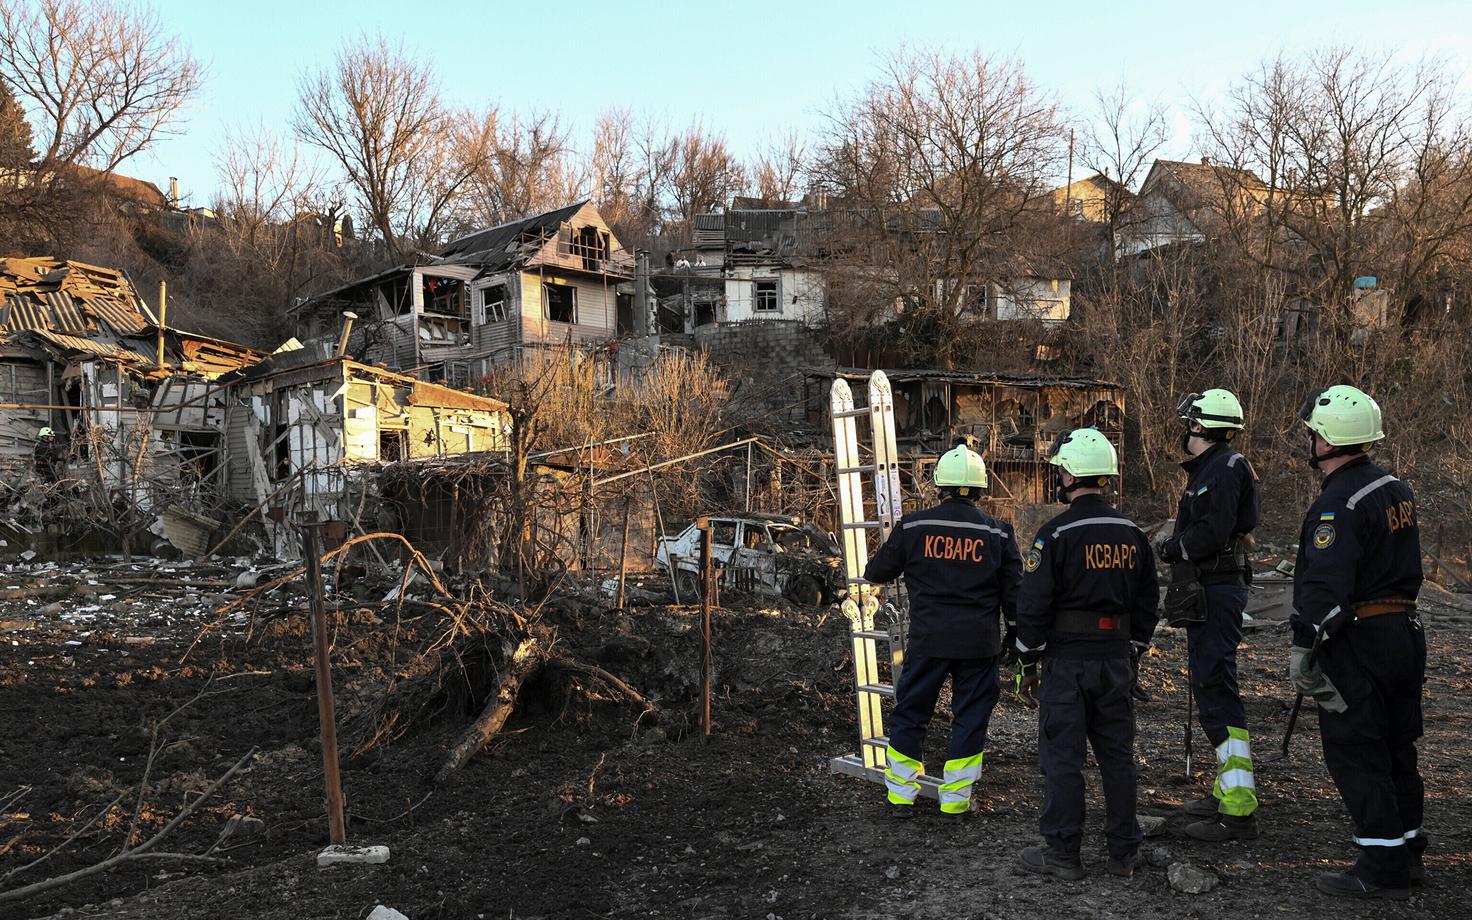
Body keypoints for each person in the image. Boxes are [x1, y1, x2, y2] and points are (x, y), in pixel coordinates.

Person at [1291, 385, 1424, 900]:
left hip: (1361, 642)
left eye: (1312, 433)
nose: (1308, 439)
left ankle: (1380, 867)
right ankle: (1407, 853)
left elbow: (1326, 585)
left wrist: (1304, 643)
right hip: (1404, 634)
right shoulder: (1396, 489)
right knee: (1397, 747)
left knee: (1356, 750)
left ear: (1328, 440)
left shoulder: (1339, 502)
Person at [1014, 429, 1159, 880]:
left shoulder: (1055, 533)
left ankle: (1062, 854)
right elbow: (1148, 601)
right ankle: (1124, 853)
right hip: (1116, 658)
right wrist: (1133, 650)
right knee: (1117, 757)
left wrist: (1026, 660)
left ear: (1071, 473)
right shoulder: (1134, 534)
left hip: (1067, 661)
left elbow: (1034, 603)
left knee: (1062, 758)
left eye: (1060, 469)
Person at [863, 444, 1022, 817]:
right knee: (970, 716)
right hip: (978, 644)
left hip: (928, 640)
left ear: (939, 486)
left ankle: (901, 795)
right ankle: (955, 802)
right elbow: (1015, 596)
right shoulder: (999, 533)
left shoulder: (915, 526)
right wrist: (1017, 638)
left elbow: (878, 572)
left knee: (911, 712)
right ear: (981, 489)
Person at [1156, 389, 1261, 841]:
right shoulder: (1218, 467)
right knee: (1210, 681)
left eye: (1190, 422)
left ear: (1200, 426)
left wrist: (1171, 547)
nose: (1186, 429)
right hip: (1212, 587)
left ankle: (1238, 808)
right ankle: (1227, 789)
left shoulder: (1223, 470)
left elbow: (1210, 534)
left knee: (1214, 684)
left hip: (1217, 587)